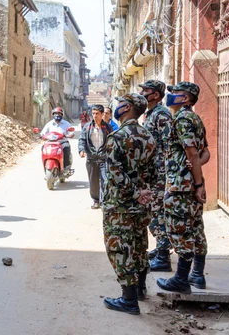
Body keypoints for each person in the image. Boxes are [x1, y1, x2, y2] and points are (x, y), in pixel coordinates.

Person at [102, 93, 156, 315]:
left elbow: (115, 173)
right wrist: (145, 194)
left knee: (119, 248)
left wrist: (134, 194)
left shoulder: (117, 137)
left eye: (119, 104)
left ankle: (129, 299)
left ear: (125, 108)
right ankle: (141, 289)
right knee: (139, 244)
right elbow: (154, 172)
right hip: (141, 205)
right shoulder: (149, 137)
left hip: (120, 206)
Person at [157, 82, 210, 293]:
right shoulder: (195, 119)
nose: (171, 96)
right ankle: (197, 275)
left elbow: (193, 153)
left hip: (181, 187)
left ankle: (181, 279)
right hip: (191, 183)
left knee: (180, 231)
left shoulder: (182, 119)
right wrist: (197, 172)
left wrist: (197, 183)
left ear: (186, 99)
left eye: (175, 93)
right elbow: (205, 153)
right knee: (196, 229)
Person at [138, 80, 174, 272]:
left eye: (146, 90)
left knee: (158, 212)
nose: (143, 93)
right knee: (154, 212)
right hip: (153, 172)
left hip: (161, 173)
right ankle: (161, 247)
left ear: (156, 95)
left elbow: (170, 145)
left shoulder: (162, 115)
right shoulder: (151, 114)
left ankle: (163, 256)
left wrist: (168, 175)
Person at [78, 104, 112, 209]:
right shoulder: (87, 127)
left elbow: (112, 142)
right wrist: (82, 150)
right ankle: (96, 200)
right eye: (93, 113)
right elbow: (82, 139)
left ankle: (104, 201)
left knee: (105, 180)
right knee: (93, 182)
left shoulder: (107, 128)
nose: (95, 116)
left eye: (97, 113)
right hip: (91, 158)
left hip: (103, 158)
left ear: (102, 114)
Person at [41, 107, 74, 171]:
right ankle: (45, 165)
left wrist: (69, 135)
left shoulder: (66, 124)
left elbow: (71, 133)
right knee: (43, 148)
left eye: (59, 113)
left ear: (62, 115)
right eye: (55, 113)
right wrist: (41, 136)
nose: (57, 115)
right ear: (53, 115)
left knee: (66, 148)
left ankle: (66, 167)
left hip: (62, 142)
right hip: (51, 142)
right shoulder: (49, 124)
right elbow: (43, 133)